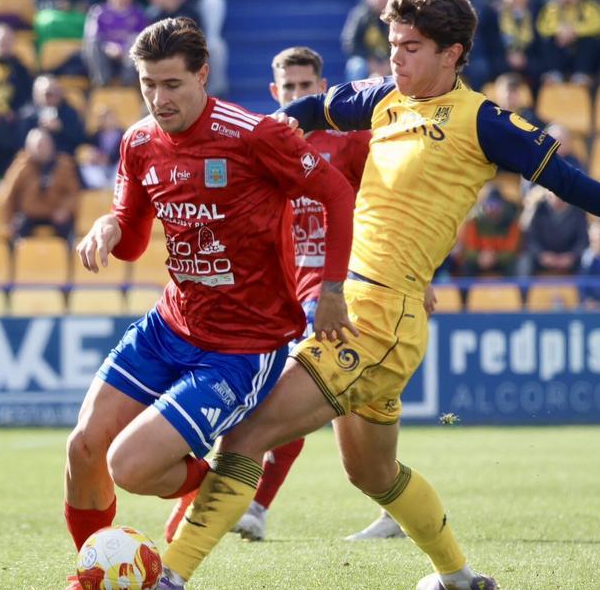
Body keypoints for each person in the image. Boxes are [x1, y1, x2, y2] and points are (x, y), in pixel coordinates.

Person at [153, 0, 600, 590]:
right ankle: (456, 576)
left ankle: (170, 577)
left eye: (412, 47)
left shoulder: (482, 122)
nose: (396, 58)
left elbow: (568, 180)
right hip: (372, 315)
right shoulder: (384, 99)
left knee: (245, 437)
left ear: (453, 53)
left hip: (376, 318)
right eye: (394, 43)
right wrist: (257, 140)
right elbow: (311, 110)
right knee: (371, 472)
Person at [50, 17, 358, 590]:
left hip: (244, 344)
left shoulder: (255, 135)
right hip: (172, 325)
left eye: (172, 85)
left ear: (202, 75)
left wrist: (334, 288)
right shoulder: (139, 141)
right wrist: (110, 223)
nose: (159, 100)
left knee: (130, 467)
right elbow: (136, 238)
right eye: (147, 85)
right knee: (83, 449)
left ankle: (214, 483)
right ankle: (92, 574)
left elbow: (336, 194)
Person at [162, 45, 413, 545]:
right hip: (288, 293)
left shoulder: (352, 143)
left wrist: (409, 280)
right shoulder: (264, 142)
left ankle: (254, 505)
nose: (298, 95)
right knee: (348, 407)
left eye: (306, 86)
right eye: (289, 88)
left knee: (311, 403)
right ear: (275, 93)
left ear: (322, 89)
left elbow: (390, 209)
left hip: (346, 289)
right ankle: (396, 508)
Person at [0, 127, 80, 241]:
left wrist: (64, 210)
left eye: (45, 144)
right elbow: (8, 194)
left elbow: (73, 193)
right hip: (29, 214)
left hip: (55, 213)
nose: (43, 149)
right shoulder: (21, 166)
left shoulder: (63, 165)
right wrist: (10, 219)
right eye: (39, 145)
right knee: (18, 231)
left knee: (69, 233)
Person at [535, 0, 600, 85]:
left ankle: (581, 73)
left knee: (589, 39)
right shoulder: (551, 8)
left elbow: (598, 24)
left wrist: (574, 31)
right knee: (547, 40)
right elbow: (542, 27)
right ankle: (555, 73)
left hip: (581, 52)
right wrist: (559, 31)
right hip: (561, 50)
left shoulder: (589, 6)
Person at [82, 0, 146, 87]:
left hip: (128, 56)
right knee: (92, 44)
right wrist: (108, 47)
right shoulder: (98, 12)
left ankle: (127, 84)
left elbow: (141, 38)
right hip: (104, 56)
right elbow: (92, 37)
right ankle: (102, 83)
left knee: (136, 41)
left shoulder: (138, 14)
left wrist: (123, 49)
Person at [17, 75, 86, 155]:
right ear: (37, 95)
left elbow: (80, 139)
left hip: (62, 156)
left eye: (57, 92)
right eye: (48, 94)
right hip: (35, 157)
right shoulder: (28, 115)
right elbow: (21, 144)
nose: (53, 96)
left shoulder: (68, 112)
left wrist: (61, 128)